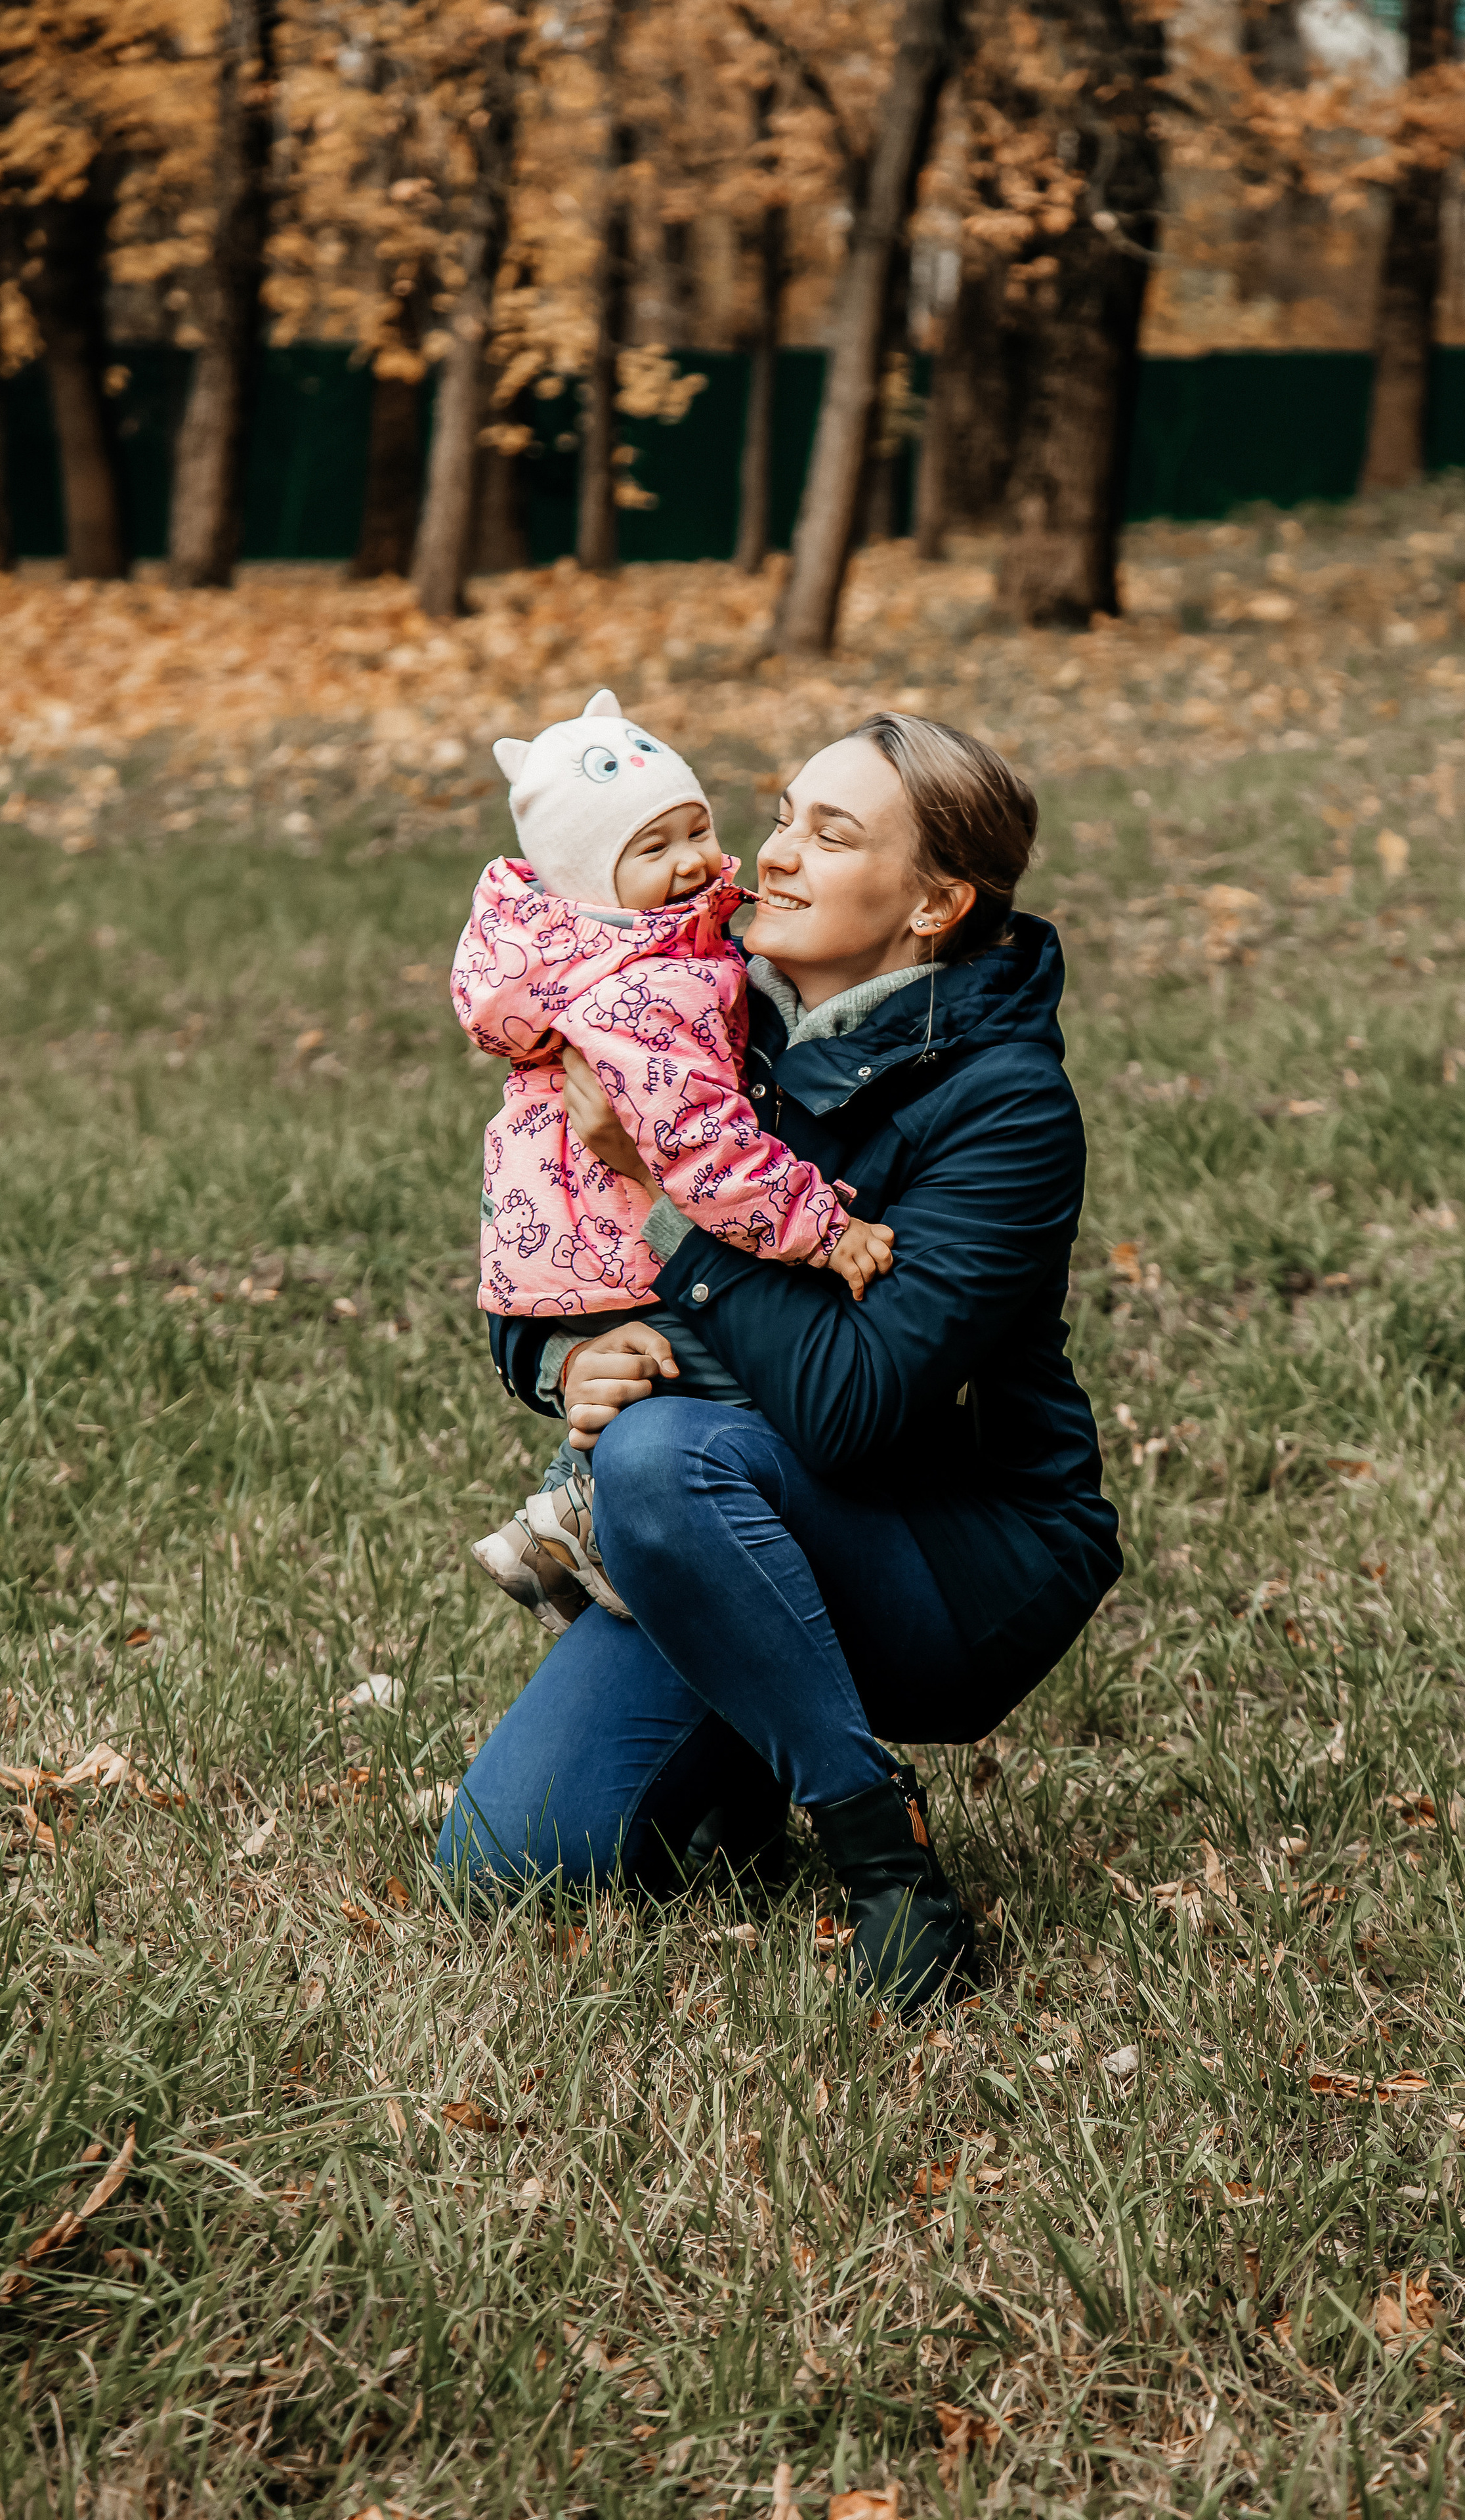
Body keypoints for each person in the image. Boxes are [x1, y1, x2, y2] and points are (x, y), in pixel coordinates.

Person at [438, 711, 1122, 2015]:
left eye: (832, 831)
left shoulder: (1004, 1104)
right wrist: (560, 1360)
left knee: (659, 1455)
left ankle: (881, 1851)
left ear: (935, 903)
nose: (774, 854)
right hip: (716, 1513)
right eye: (784, 814)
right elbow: (537, 1219)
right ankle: (749, 1743)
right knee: (504, 1867)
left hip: (953, 1555)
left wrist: (665, 1199)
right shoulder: (690, 1013)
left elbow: (852, 1410)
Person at [453, 690, 896, 1636]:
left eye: (697, 827)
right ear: (589, 881)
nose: (696, 859)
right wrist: (823, 1227)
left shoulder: (603, 952)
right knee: (707, 1377)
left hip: (563, 1237)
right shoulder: (651, 989)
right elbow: (704, 1146)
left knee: (666, 1369)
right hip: (613, 1231)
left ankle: (569, 1521)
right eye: (652, 850)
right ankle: (577, 1517)